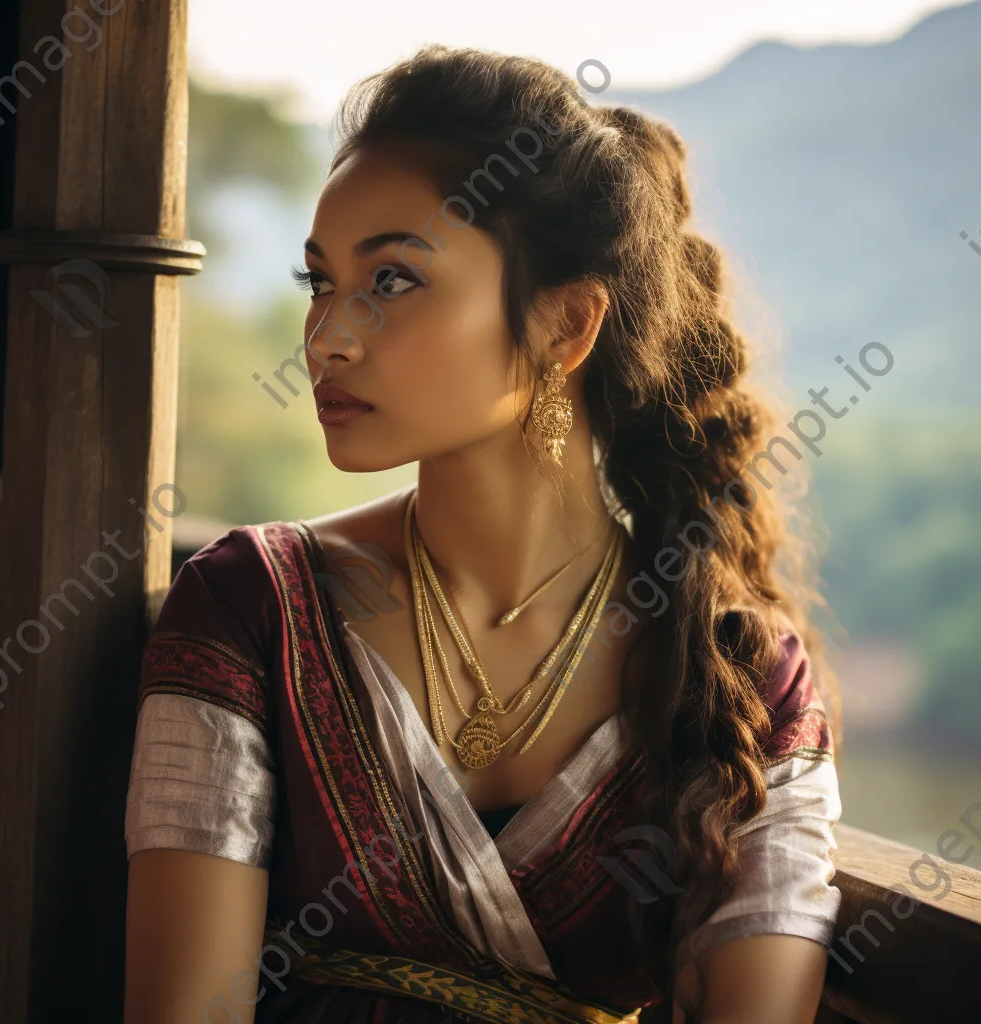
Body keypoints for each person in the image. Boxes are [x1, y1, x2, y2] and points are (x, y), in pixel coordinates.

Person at [123, 44, 843, 1024]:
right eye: (318, 283)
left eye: (391, 279)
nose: (328, 334)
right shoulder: (250, 605)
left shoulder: (741, 677)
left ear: (566, 324)